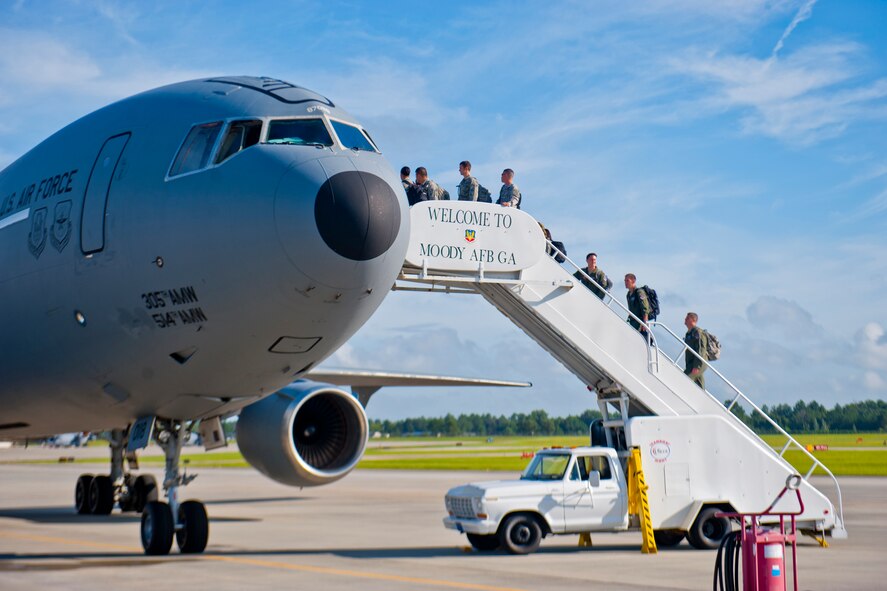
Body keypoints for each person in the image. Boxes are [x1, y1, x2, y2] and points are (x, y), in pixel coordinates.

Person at [683, 312, 708, 389]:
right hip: (692, 363)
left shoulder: (698, 332)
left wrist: (697, 366)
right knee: (699, 386)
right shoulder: (688, 333)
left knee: (684, 379)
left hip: (699, 362)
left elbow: (701, 349)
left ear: (693, 320)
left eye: (687, 318)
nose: (685, 319)